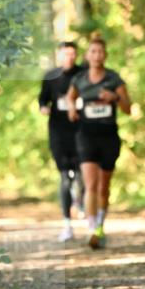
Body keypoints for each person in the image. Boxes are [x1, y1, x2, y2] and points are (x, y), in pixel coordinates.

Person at [67, 35, 131, 249]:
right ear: (88, 55)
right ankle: (92, 229)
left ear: (105, 55)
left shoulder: (113, 78)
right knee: (91, 184)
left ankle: (101, 224)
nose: (97, 55)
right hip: (85, 135)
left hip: (108, 136)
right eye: (93, 51)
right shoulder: (80, 79)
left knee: (104, 187)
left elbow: (128, 108)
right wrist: (72, 108)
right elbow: (70, 97)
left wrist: (115, 98)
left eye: (100, 52)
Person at [39, 41, 86, 242]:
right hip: (59, 133)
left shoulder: (84, 73)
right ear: (59, 56)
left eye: (73, 54)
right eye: (66, 54)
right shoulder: (51, 76)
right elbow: (42, 100)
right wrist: (43, 108)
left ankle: (80, 200)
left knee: (82, 176)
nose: (70, 57)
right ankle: (67, 224)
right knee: (65, 177)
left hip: (82, 132)